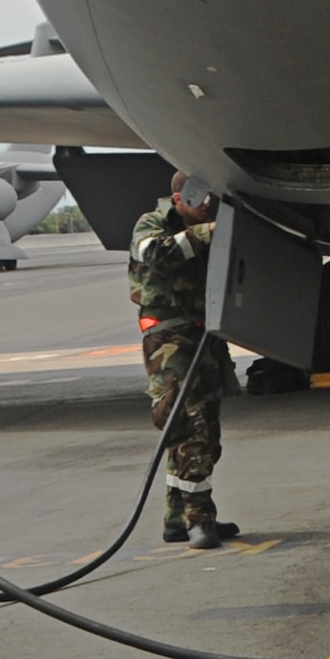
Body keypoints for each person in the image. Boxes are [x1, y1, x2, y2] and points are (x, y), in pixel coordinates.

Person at [129, 172, 238, 549]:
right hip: (169, 340)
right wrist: (210, 232)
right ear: (178, 198)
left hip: (203, 336)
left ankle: (176, 518)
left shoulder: (210, 227)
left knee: (205, 430)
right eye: (199, 197)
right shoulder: (152, 224)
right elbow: (154, 254)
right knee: (192, 427)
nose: (206, 204)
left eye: (210, 197)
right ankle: (199, 520)